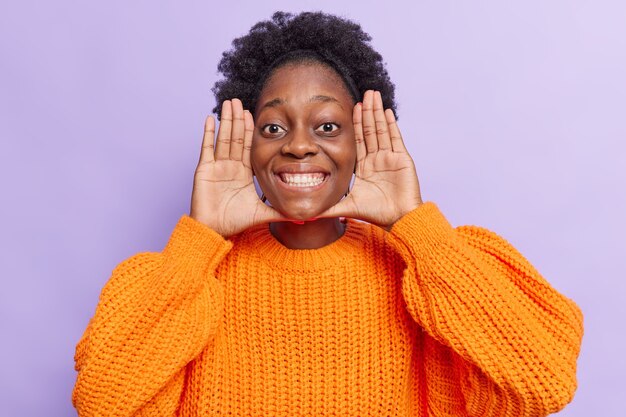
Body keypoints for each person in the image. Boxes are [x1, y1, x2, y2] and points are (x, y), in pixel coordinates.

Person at [71, 11, 584, 417]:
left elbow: (544, 380)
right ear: (246, 144)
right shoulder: (185, 278)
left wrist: (415, 225)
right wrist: (199, 240)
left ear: (363, 140)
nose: (298, 146)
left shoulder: (429, 267)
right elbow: (102, 403)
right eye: (274, 127)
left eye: (327, 126)